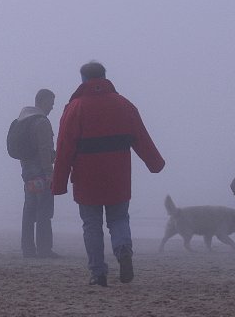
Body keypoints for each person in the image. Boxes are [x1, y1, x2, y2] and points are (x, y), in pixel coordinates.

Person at [52, 62, 165, 287]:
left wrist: (59, 183)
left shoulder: (75, 107)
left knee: (91, 223)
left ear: (83, 78)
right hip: (118, 173)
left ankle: (98, 273)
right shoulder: (123, 104)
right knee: (119, 218)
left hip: (87, 175)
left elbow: (65, 146)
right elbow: (140, 136)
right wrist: (155, 163)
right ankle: (123, 250)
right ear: (104, 77)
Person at [15, 89, 58, 258]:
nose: (52, 107)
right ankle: (44, 249)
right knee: (44, 210)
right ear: (43, 101)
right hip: (41, 171)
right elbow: (45, 149)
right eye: (51, 103)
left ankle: (27, 248)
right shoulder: (41, 122)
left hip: (27, 170)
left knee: (29, 208)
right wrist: (50, 172)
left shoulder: (23, 120)